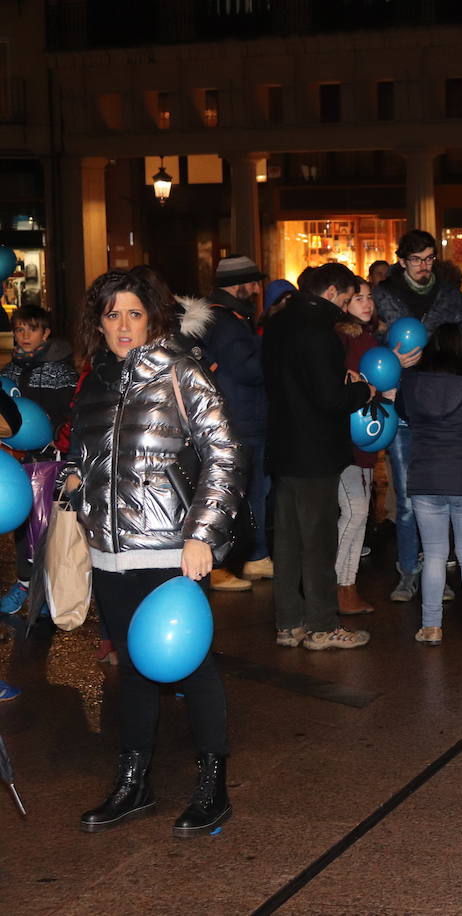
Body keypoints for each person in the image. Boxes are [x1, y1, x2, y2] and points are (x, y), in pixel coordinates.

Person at [64, 267, 245, 837]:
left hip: (170, 549)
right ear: (99, 321)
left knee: (194, 667)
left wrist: (202, 534)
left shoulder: (181, 374)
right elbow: (84, 454)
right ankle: (134, 782)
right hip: (109, 551)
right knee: (133, 667)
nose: (122, 325)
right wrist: (74, 479)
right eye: (111, 314)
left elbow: (226, 456)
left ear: (152, 319)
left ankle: (213, 784)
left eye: (133, 313)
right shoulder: (94, 382)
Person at [263, 263, 375, 651]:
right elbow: (328, 398)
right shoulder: (320, 333)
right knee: (319, 540)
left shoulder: (276, 324)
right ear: (330, 292)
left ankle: (288, 623)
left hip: (282, 445)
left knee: (288, 541)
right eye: (345, 298)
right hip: (315, 451)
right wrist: (362, 392)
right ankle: (322, 626)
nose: (346, 307)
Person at [372, 230, 462, 602]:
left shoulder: (450, 296)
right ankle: (409, 570)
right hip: (404, 401)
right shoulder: (383, 296)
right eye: (417, 259)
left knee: (449, 493)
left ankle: (438, 567)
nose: (424, 266)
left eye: (429, 259)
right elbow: (369, 346)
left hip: (447, 400)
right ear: (402, 261)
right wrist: (391, 361)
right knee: (408, 497)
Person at [399, 323, 462, 646]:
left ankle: (431, 626)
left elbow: (403, 411)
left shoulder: (412, 382)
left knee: (433, 555)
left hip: (426, 478)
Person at [0, 304, 79, 617]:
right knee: (22, 524)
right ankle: (24, 583)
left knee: (47, 526)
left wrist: (54, 432)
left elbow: (69, 414)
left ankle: (47, 590)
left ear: (46, 333)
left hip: (50, 460)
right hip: (17, 461)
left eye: (31, 329)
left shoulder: (62, 371)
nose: (24, 336)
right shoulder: (9, 370)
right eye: (19, 330)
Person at [201, 254, 271, 592]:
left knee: (252, 493)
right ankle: (219, 565)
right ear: (238, 284)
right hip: (238, 421)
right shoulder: (227, 322)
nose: (258, 288)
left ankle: (254, 556)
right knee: (232, 496)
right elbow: (251, 370)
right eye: (253, 282)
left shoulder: (234, 318)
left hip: (247, 419)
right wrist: (268, 349)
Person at [334, 278, 385, 617]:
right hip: (346, 439)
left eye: (369, 297)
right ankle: (340, 585)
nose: (366, 303)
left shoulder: (368, 338)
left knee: (359, 513)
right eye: (358, 298)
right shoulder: (341, 339)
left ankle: (347, 585)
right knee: (355, 513)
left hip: (364, 436)